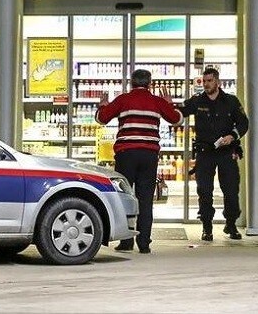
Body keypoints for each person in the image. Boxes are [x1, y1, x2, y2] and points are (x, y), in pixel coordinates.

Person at [96, 69, 183, 254]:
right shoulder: (156, 101)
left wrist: (102, 105)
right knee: (145, 200)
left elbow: (101, 119)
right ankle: (144, 243)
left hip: (126, 154)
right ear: (149, 83)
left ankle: (126, 241)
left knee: (125, 197)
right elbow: (177, 120)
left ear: (131, 83)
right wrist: (170, 104)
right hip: (149, 155)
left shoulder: (123, 99)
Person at [179, 67, 248, 241]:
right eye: (204, 81)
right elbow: (180, 112)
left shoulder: (231, 101)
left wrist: (232, 136)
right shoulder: (197, 101)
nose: (207, 84)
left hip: (226, 152)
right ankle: (207, 227)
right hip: (205, 153)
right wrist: (169, 105)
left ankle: (231, 224)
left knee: (231, 189)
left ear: (217, 81)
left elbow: (243, 123)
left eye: (210, 80)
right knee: (204, 191)